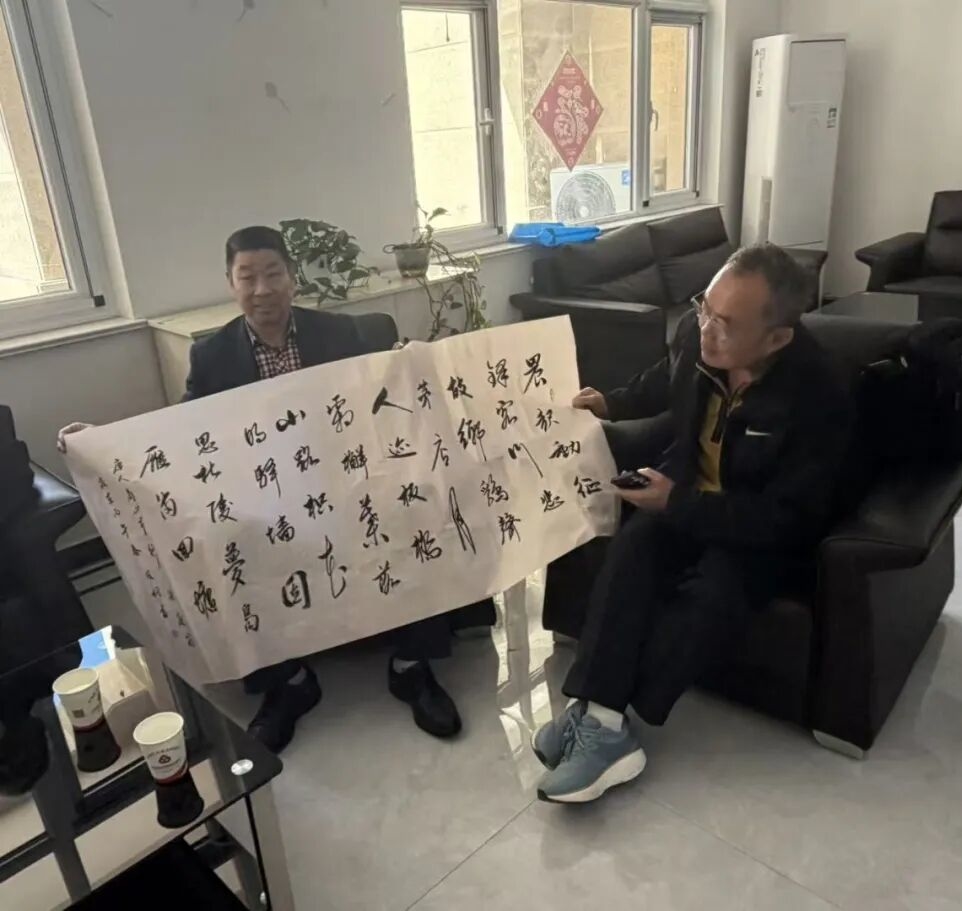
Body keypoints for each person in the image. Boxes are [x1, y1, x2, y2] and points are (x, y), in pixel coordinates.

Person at [58, 226, 483, 752]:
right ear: (231, 284)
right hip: (264, 495)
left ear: (292, 278)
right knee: (221, 541)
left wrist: (408, 363)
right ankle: (288, 683)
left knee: (415, 505)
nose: (262, 289)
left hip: (347, 479)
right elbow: (182, 431)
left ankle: (411, 666)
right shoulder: (213, 355)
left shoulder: (342, 334)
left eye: (273, 274)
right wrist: (103, 441)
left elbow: (386, 399)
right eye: (248, 277)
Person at [532, 244, 854, 803]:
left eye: (725, 324)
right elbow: (667, 378)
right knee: (633, 547)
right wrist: (612, 402)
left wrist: (677, 503)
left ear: (776, 338)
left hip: (757, 529)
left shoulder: (819, 395)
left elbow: (789, 520)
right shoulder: (696, 334)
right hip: (687, 494)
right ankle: (600, 719)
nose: (706, 328)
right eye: (705, 307)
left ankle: (613, 720)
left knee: (716, 590)